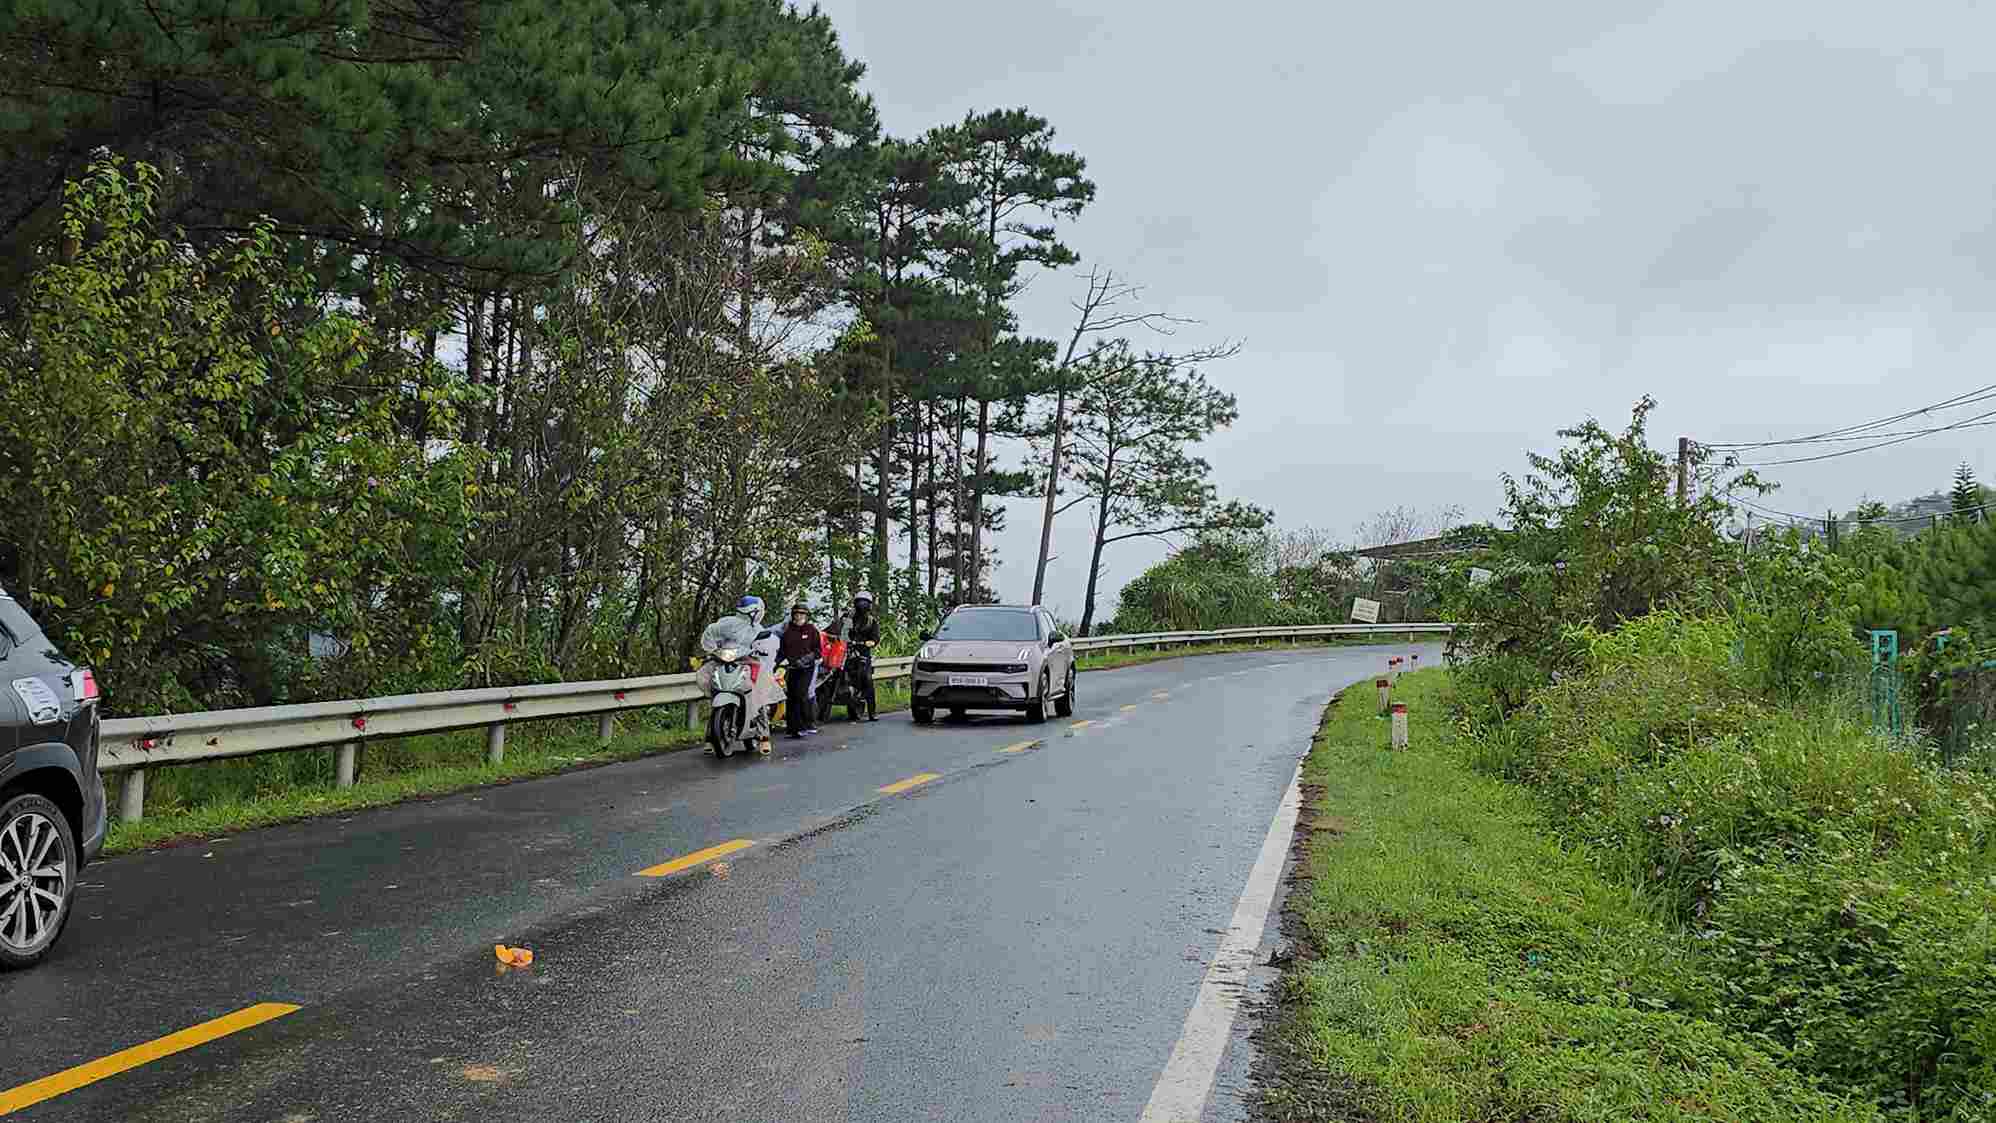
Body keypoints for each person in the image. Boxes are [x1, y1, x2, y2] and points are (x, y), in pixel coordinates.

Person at [699, 595, 773, 754]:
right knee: (714, 693)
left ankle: (764, 737)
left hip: (749, 664)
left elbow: (767, 646)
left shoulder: (759, 630)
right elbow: (710, 633)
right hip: (724, 662)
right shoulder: (728, 623)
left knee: (757, 697)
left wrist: (760, 651)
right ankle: (711, 738)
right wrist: (713, 650)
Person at [777, 602, 823, 739]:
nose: (799, 616)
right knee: (791, 696)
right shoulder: (787, 632)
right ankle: (793, 729)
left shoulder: (811, 630)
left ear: (806, 616)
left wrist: (806, 659)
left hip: (807, 668)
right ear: (793, 615)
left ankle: (807, 724)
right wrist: (776, 664)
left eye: (802, 614)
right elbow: (782, 652)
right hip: (792, 668)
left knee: (801, 694)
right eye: (797, 614)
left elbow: (818, 651)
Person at [847, 590, 882, 721]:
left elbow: (876, 638)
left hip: (863, 653)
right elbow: (844, 633)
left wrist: (871, 642)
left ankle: (872, 712)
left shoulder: (871, 621)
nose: (862, 604)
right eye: (859, 601)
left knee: (867, 679)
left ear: (869, 605)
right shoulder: (849, 618)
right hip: (848, 652)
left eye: (864, 602)